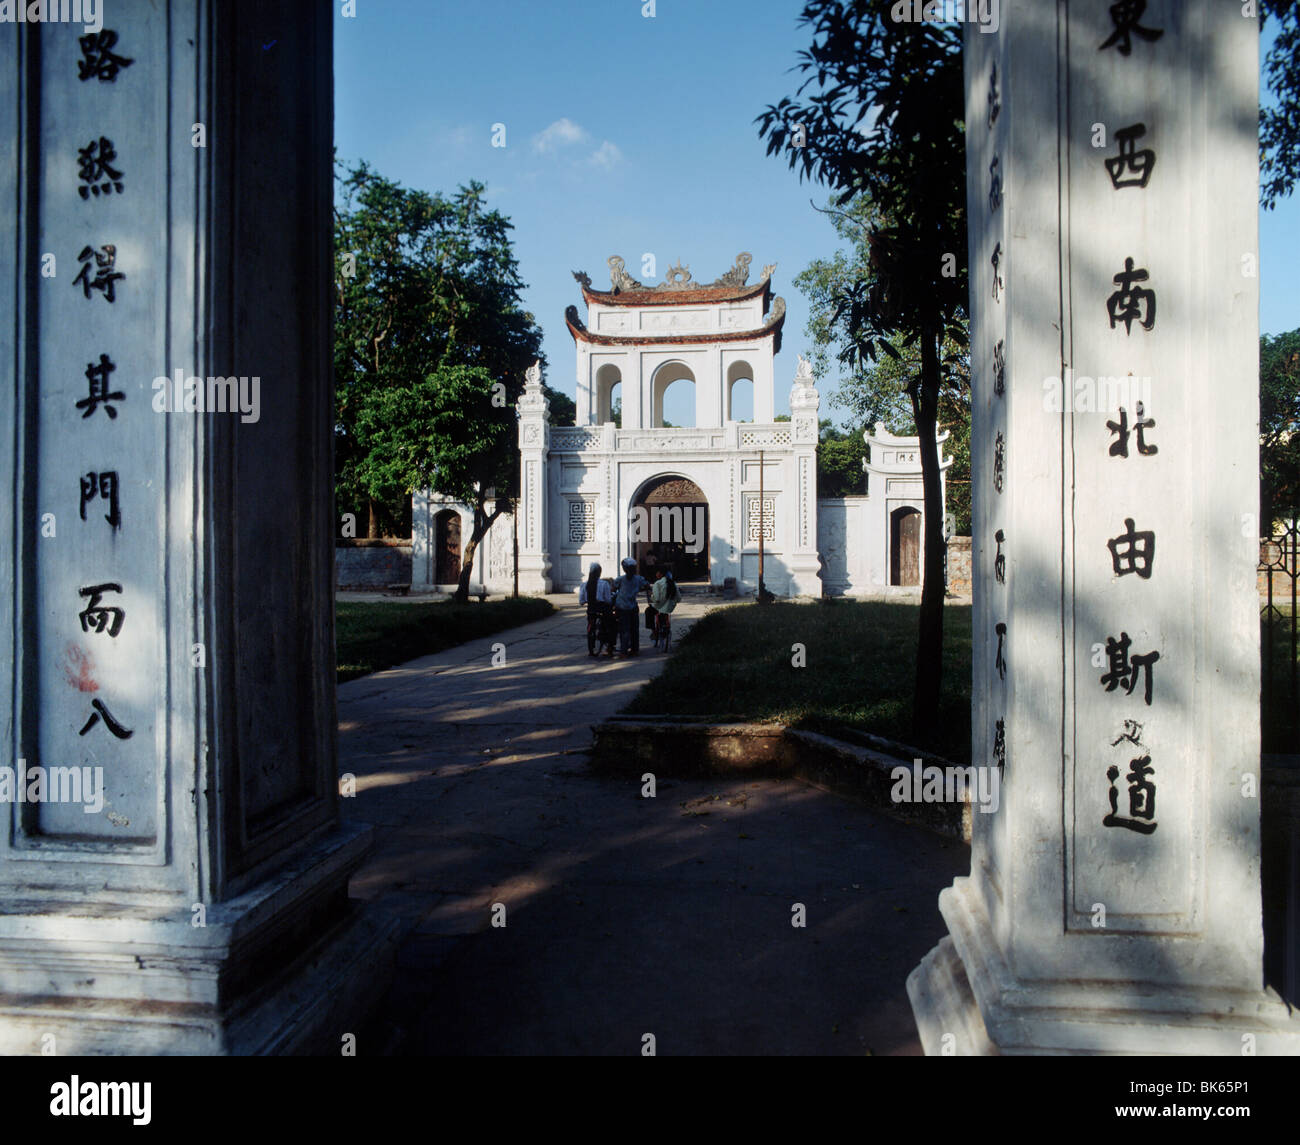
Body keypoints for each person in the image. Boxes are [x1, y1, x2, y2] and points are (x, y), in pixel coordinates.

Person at [612, 556, 650, 656]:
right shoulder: (638, 579)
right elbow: (647, 586)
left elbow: (613, 589)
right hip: (632, 606)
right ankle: (634, 649)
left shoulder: (620, 579)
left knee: (625, 629)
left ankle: (625, 650)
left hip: (623, 607)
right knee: (633, 629)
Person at [577, 561, 614, 657]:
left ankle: (591, 649)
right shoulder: (604, 584)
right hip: (602, 609)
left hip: (591, 610)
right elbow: (608, 600)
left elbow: (581, 601)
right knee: (611, 625)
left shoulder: (584, 585)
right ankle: (610, 647)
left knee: (590, 625)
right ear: (599, 573)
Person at [649, 565, 680, 651]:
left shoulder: (657, 583)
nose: (656, 574)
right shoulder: (673, 583)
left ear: (660, 574)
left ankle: (654, 632)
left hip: (659, 607)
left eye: (657, 572)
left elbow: (657, 599)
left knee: (648, 611)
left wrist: (651, 597)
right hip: (669, 608)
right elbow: (679, 599)